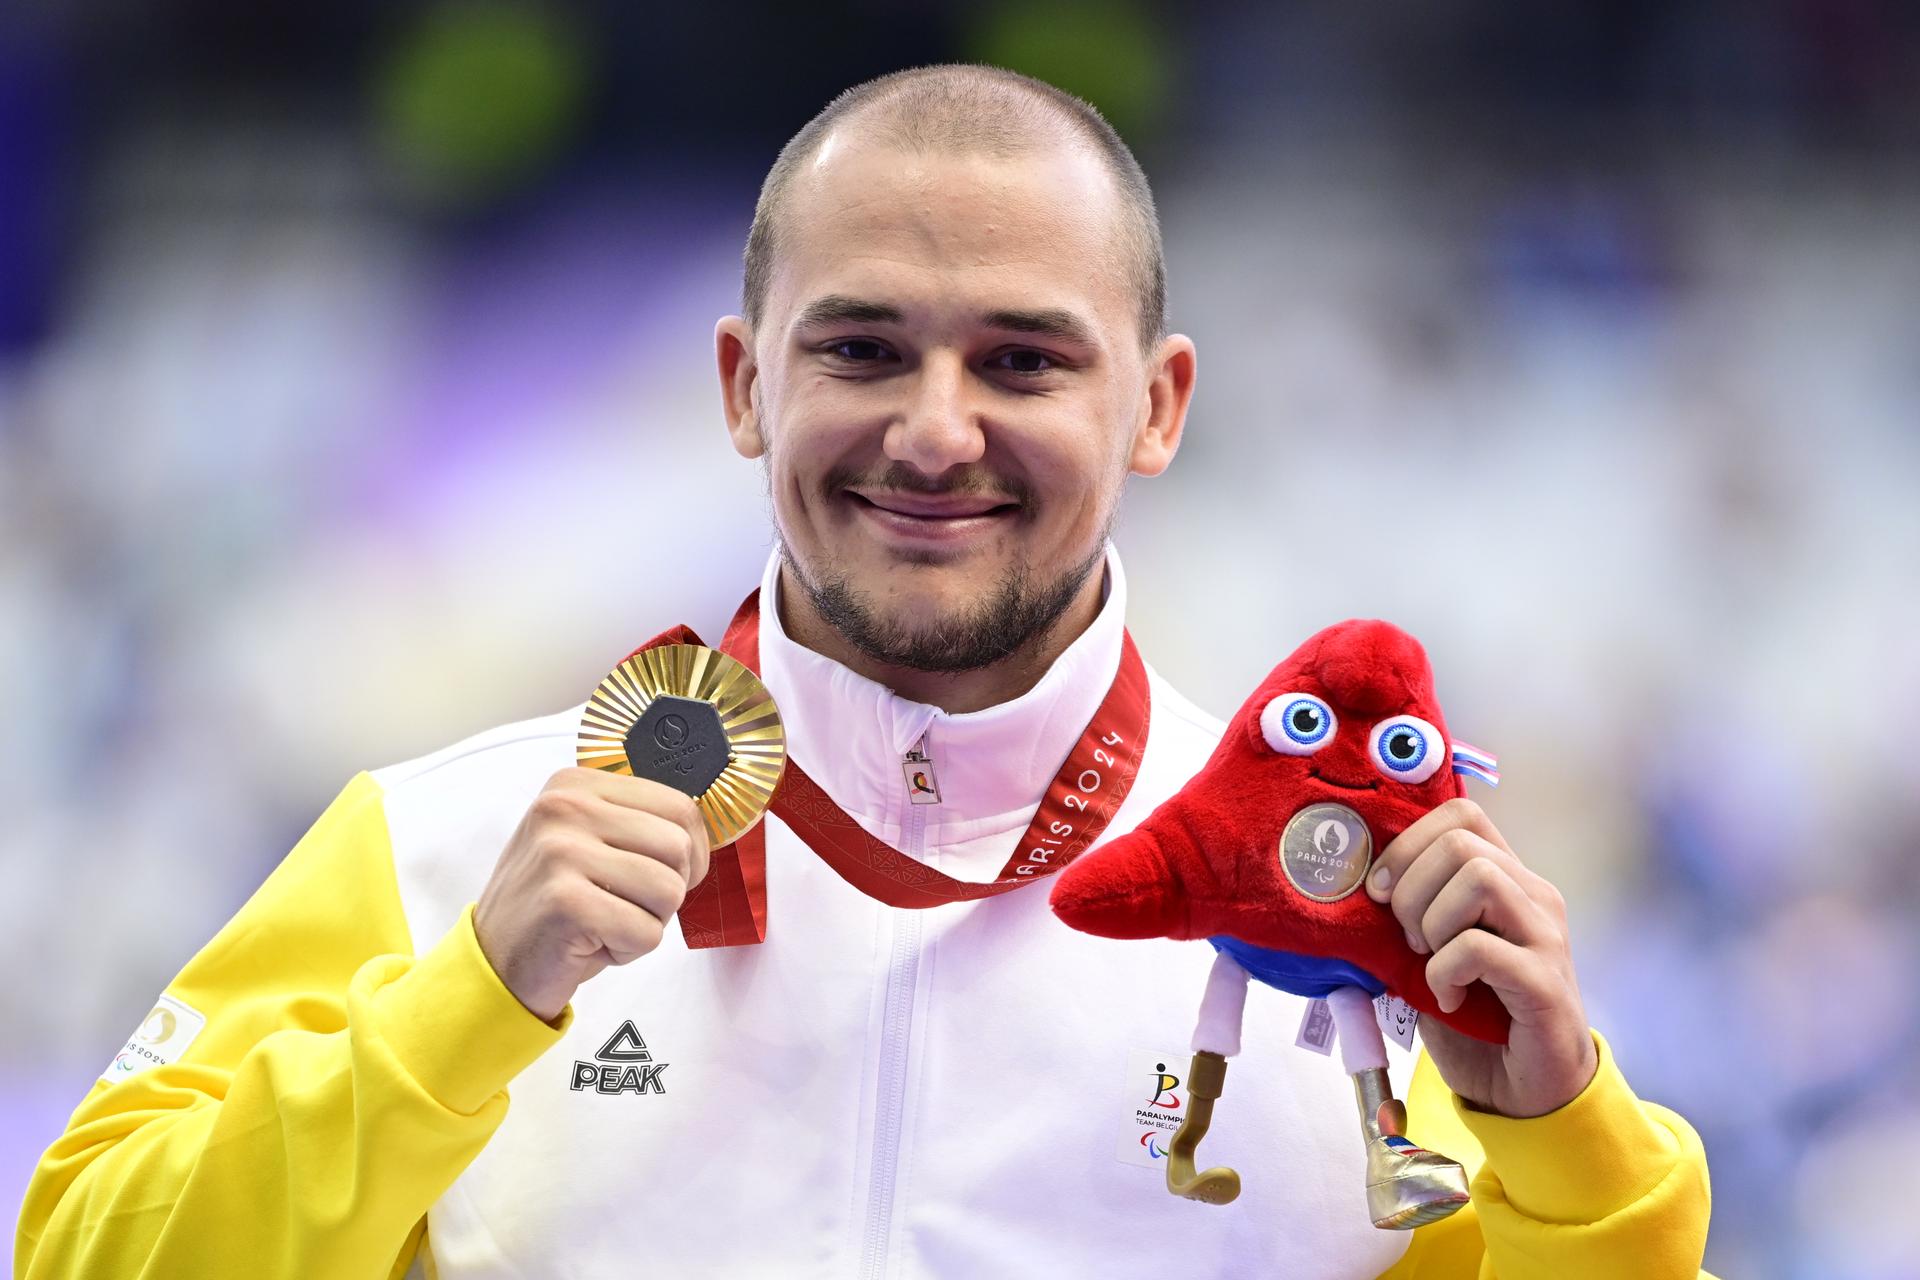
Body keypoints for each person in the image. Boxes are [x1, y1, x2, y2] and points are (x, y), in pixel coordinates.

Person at [15, 64, 1711, 1279]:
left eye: (1026, 359)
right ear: (748, 385)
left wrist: (1568, 1147)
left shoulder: (1354, 947)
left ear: (1159, 407)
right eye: (863, 347)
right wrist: (463, 1011)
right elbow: (86, 1257)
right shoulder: (438, 853)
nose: (935, 429)